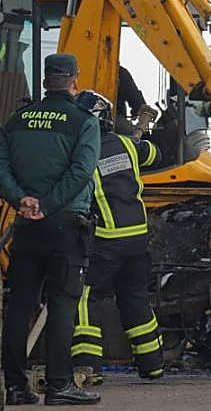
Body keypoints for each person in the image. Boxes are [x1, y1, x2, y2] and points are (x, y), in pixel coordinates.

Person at [0, 52, 102, 406]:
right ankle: (58, 385)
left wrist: (22, 200)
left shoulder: (17, 119)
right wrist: (49, 205)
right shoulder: (83, 121)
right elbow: (81, 171)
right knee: (63, 303)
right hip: (65, 224)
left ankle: (14, 385)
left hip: (26, 226)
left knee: (20, 304)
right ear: (74, 80)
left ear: (44, 81)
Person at [71, 90, 165, 382]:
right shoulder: (127, 144)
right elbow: (154, 154)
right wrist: (134, 141)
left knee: (86, 297)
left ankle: (88, 368)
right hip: (137, 238)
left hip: (106, 240)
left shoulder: (84, 152)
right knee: (135, 297)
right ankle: (153, 365)